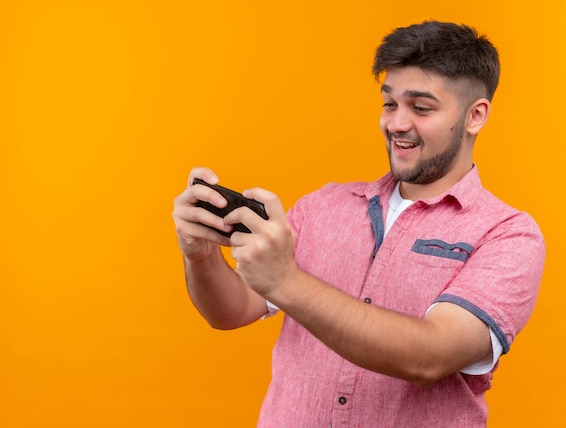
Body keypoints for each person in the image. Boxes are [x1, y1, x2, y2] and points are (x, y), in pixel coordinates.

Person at [172, 20, 545, 427]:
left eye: (421, 107)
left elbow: (431, 356)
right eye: (390, 103)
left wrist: (285, 281)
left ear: (476, 116)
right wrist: (201, 255)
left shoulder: (508, 235)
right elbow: (233, 311)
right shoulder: (322, 207)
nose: (397, 124)